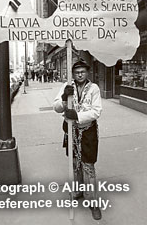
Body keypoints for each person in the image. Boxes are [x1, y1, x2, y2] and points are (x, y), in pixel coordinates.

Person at [53, 59, 102, 221]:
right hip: (71, 131)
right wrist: (63, 97)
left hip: (88, 131)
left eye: (82, 71)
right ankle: (78, 191)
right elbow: (56, 108)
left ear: (88, 73)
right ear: (72, 74)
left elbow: (96, 111)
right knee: (74, 163)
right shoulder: (67, 86)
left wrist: (78, 116)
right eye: (76, 72)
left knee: (88, 165)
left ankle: (93, 202)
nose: (79, 74)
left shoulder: (94, 88)